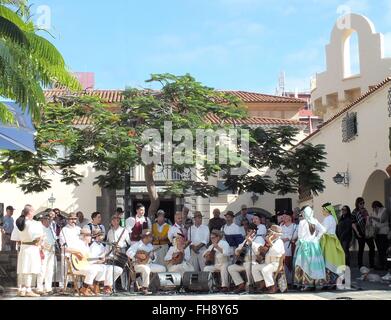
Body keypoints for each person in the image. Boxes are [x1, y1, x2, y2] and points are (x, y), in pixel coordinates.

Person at [294, 206, 326, 291]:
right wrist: (317, 238)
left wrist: (300, 242)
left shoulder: (302, 222)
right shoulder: (315, 220)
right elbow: (323, 229)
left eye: (303, 213)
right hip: (314, 246)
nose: (303, 214)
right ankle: (316, 283)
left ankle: (307, 284)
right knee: (315, 264)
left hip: (305, 245)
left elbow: (300, 235)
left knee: (304, 264)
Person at [65, 229, 106, 296]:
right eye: (90, 236)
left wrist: (98, 260)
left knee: (102, 268)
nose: (91, 238)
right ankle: (85, 288)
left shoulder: (86, 246)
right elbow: (66, 249)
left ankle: (95, 286)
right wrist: (78, 252)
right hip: (76, 267)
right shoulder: (77, 243)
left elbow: (87, 260)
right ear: (84, 236)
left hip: (84, 265)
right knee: (92, 270)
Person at [228, 223, 265, 293]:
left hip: (255, 261)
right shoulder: (246, 239)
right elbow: (238, 249)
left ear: (254, 231)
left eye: (249, 231)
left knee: (248, 265)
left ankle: (250, 285)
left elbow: (259, 250)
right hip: (243, 262)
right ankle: (241, 284)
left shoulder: (259, 238)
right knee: (231, 268)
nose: (247, 232)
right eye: (247, 231)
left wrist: (251, 243)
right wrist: (238, 251)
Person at [126, 230, 166, 295]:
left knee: (163, 268)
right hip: (138, 265)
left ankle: (156, 286)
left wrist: (152, 256)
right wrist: (137, 255)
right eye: (150, 237)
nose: (152, 238)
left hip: (149, 264)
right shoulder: (137, 244)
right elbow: (128, 252)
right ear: (145, 237)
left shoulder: (150, 246)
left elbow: (154, 258)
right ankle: (145, 288)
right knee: (146, 269)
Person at [16, 205, 44, 297]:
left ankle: (22, 289)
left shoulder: (20, 222)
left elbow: (15, 237)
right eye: (33, 211)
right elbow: (36, 238)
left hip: (23, 247)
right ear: (30, 212)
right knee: (30, 269)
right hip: (31, 248)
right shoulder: (32, 224)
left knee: (23, 269)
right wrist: (40, 239)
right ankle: (28, 289)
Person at [252, 225, 285, 294]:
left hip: (276, 264)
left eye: (270, 232)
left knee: (265, 270)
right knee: (254, 267)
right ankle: (262, 283)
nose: (268, 233)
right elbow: (262, 253)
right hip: (267, 263)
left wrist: (269, 241)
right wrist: (259, 249)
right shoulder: (268, 242)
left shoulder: (279, 241)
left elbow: (276, 252)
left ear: (274, 234)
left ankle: (273, 287)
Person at [320, 203, 346, 289]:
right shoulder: (331, 218)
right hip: (331, 240)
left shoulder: (328, 219)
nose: (322, 211)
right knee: (332, 260)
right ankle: (333, 282)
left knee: (328, 260)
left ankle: (330, 282)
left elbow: (324, 230)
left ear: (327, 210)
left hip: (329, 241)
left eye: (323, 210)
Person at [107, 214, 131, 291]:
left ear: (119, 221)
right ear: (111, 221)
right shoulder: (110, 231)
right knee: (112, 268)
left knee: (123, 269)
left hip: (122, 250)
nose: (115, 221)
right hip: (113, 251)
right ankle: (112, 287)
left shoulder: (124, 230)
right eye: (113, 220)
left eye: (117, 220)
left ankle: (125, 287)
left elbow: (128, 243)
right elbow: (108, 242)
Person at [351, 197, 375, 268]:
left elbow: (368, 220)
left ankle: (372, 264)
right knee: (361, 248)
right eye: (361, 203)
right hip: (359, 232)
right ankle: (360, 264)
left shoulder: (365, 210)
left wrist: (368, 219)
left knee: (372, 247)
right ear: (357, 204)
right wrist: (357, 232)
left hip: (367, 231)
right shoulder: (354, 212)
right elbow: (353, 223)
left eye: (363, 203)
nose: (362, 204)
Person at [36, 213, 56, 295]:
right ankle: (39, 288)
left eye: (50, 219)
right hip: (43, 251)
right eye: (47, 219)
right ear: (43, 220)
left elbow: (54, 239)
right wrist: (45, 247)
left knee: (50, 270)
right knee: (42, 269)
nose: (49, 221)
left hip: (51, 251)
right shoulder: (40, 228)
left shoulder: (50, 228)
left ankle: (48, 287)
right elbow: (38, 240)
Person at [370, 201, 389, 270]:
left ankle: (386, 265)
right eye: (374, 208)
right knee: (379, 250)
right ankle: (381, 265)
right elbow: (373, 223)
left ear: (378, 206)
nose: (375, 209)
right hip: (376, 233)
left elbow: (382, 220)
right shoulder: (373, 212)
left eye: (375, 207)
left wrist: (372, 217)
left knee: (384, 250)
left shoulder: (384, 210)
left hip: (383, 233)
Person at [281, 212, 298, 285]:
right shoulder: (281, 226)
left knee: (290, 263)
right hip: (282, 246)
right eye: (283, 216)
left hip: (291, 246)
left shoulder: (295, 226)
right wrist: (283, 239)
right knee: (284, 262)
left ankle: (291, 281)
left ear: (290, 218)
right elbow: (279, 234)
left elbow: (295, 235)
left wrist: (287, 238)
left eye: (285, 216)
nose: (283, 218)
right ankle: (286, 281)